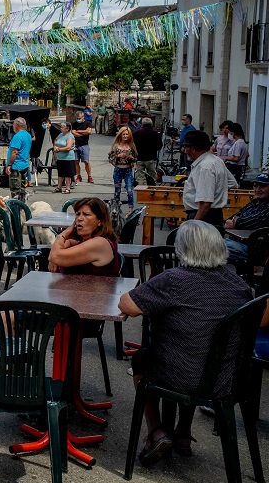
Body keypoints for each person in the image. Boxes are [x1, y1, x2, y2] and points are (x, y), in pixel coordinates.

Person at [118, 221, 252, 465]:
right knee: (197, 353)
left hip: (182, 376)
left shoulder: (175, 280)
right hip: (225, 379)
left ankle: (156, 430)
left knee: (142, 360)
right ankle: (182, 435)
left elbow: (127, 305)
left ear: (182, 249)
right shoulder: (238, 285)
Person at [47, 197, 120, 275]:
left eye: (86, 214)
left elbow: (55, 256)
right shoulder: (84, 240)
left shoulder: (99, 243)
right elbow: (57, 254)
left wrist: (63, 234)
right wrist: (67, 243)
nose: (79, 218)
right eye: (78, 214)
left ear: (100, 221)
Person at [182, 129, 235, 226]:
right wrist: (218, 190)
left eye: (186, 147)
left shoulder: (205, 166)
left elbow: (205, 202)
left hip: (204, 217)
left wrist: (194, 223)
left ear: (193, 149)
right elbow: (232, 183)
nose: (185, 151)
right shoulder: (216, 160)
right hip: (212, 215)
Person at [224, 173, 269, 262]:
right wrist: (236, 220)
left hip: (253, 249)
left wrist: (236, 221)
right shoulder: (253, 203)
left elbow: (245, 222)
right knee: (205, 243)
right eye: (255, 186)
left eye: (263, 186)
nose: (258, 189)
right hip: (236, 242)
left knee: (210, 247)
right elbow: (228, 220)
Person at [109, 126, 138, 210]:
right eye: (123, 134)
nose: (125, 136)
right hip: (118, 169)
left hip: (128, 169)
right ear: (120, 135)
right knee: (117, 190)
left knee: (129, 190)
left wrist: (131, 158)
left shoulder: (131, 145)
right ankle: (116, 208)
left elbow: (136, 158)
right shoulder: (116, 145)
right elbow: (110, 158)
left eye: (126, 134)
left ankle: (130, 209)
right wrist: (118, 156)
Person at [5, 117, 32, 201]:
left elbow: (15, 152)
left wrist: (9, 164)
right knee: (22, 190)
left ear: (17, 125)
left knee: (15, 191)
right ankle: (22, 207)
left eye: (13, 124)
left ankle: (16, 211)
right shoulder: (28, 135)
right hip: (24, 164)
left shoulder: (18, 136)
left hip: (16, 166)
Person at [133, 117, 162, 187]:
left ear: (142, 124)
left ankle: (140, 193)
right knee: (152, 177)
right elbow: (159, 146)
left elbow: (133, 146)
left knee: (140, 178)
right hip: (151, 159)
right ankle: (151, 193)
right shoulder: (156, 134)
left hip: (139, 158)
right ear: (151, 124)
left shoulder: (136, 133)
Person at [71, 110, 94, 185]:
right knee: (76, 161)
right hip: (76, 145)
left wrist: (78, 131)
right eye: (77, 118)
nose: (78, 119)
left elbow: (89, 132)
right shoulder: (74, 124)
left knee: (86, 161)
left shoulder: (88, 123)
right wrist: (84, 132)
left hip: (85, 145)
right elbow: (74, 133)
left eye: (79, 118)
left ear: (83, 117)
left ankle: (89, 176)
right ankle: (78, 175)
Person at [52, 122, 75, 195]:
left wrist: (58, 149)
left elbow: (68, 147)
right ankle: (59, 187)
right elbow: (56, 142)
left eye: (62, 127)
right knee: (60, 173)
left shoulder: (70, 136)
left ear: (67, 129)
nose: (61, 128)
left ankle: (67, 188)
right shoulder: (60, 135)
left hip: (68, 157)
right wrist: (55, 148)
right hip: (60, 157)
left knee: (67, 173)